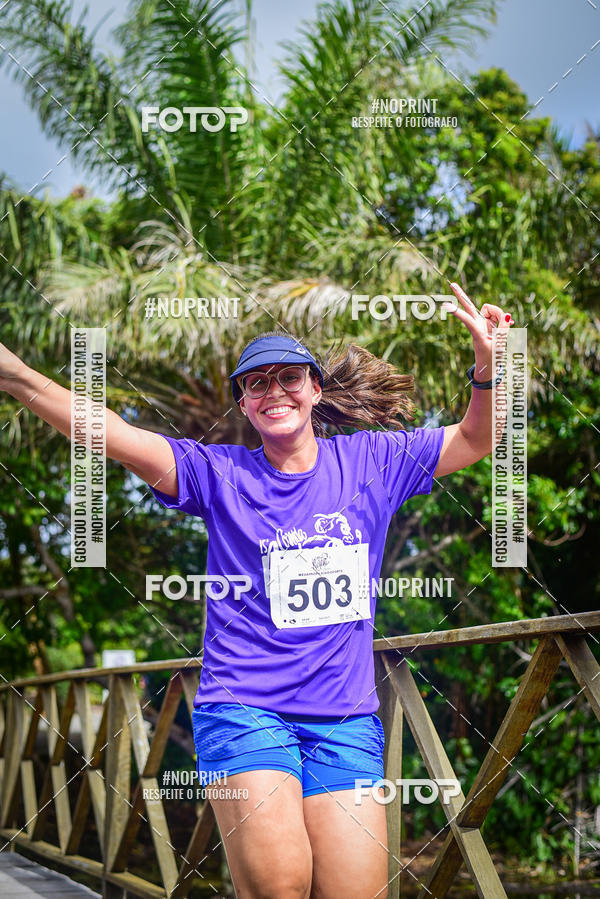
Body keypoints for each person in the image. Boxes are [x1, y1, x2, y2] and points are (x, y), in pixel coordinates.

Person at [0, 282, 512, 899]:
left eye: (288, 377)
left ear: (315, 389)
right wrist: (16, 376)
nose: (274, 391)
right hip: (246, 711)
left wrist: (489, 367)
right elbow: (109, 432)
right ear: (244, 404)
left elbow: (477, 438)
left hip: (345, 720)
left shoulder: (374, 461)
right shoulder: (219, 473)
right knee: (278, 888)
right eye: (256, 383)